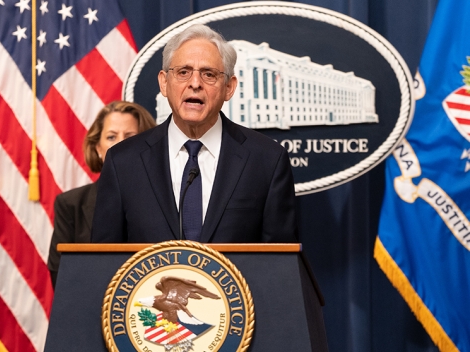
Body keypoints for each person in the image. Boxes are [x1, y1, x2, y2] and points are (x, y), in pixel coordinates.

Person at [91, 24, 298, 244]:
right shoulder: (123, 162)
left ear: (229, 87)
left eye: (209, 74)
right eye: (183, 72)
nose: (195, 84)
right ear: (164, 82)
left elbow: (279, 266)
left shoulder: (267, 160)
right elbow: (104, 262)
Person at [47, 101, 156, 287]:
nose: (121, 144)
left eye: (130, 136)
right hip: (90, 308)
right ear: (98, 148)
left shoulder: (168, 201)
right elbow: (62, 276)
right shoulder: (70, 204)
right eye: (112, 137)